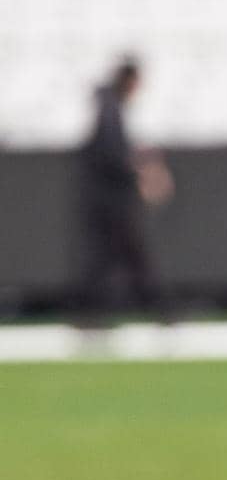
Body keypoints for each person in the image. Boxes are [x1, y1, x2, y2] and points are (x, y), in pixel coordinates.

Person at [76, 56, 172, 321]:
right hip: (111, 203)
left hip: (108, 202)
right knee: (122, 257)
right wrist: (140, 166)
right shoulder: (109, 110)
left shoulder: (109, 107)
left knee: (115, 258)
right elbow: (111, 155)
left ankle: (154, 310)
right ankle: (158, 311)